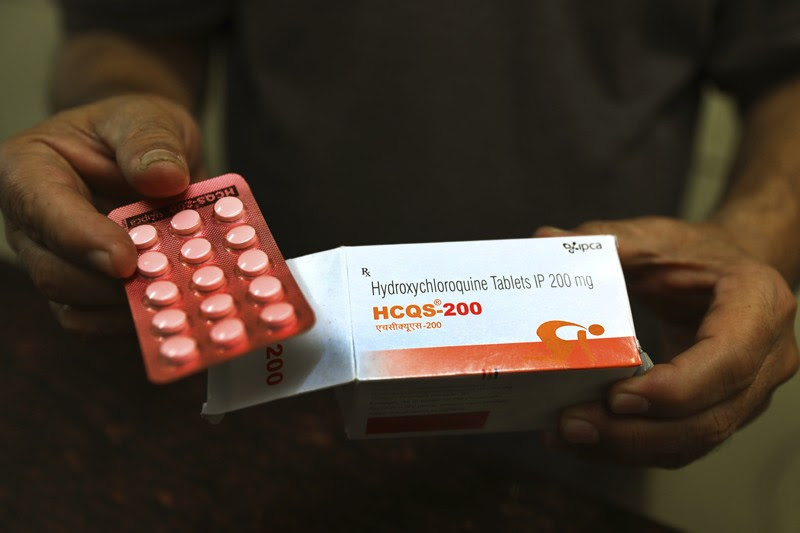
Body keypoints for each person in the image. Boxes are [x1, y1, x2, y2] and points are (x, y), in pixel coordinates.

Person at [1, 0, 798, 470]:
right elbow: (134, 24)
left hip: (578, 416)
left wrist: (749, 244)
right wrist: (122, 120)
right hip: (272, 400)